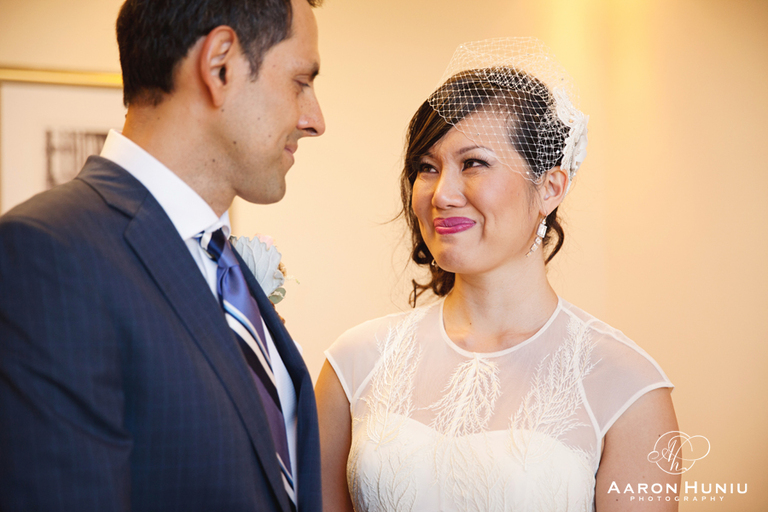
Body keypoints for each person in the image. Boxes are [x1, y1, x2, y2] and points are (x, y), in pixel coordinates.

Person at [315, 38, 680, 512]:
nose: (442, 194)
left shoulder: (626, 386)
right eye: (426, 168)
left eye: (473, 163)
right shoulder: (355, 362)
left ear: (550, 186)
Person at [0, 0, 325, 510]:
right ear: (220, 65)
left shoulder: (225, 267)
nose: (315, 120)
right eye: (301, 81)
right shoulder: (48, 252)